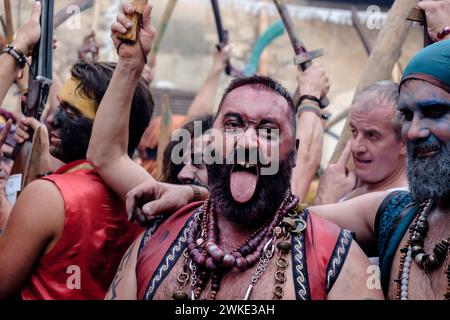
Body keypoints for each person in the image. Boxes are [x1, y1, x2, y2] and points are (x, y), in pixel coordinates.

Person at [87, 2, 382, 300]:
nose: (247, 142)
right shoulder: (157, 239)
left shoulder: (335, 260)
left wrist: (308, 99)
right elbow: (107, 154)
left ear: (293, 153)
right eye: (232, 124)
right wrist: (129, 64)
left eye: (268, 130)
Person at [0, 1, 152, 300]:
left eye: (70, 113)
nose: (53, 119)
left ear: (109, 124)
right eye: (59, 106)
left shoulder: (49, 195)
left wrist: (17, 50)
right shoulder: (149, 196)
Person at [314, 81, 408, 204]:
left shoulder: (398, 204)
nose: (356, 147)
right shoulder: (347, 185)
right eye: (354, 131)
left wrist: (326, 198)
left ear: (403, 142)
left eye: (372, 135)